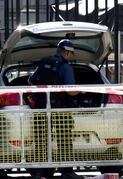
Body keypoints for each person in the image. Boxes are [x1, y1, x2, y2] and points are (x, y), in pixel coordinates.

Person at [27, 39, 82, 179]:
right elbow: (70, 91)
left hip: (41, 107)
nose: (71, 56)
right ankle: (67, 172)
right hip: (60, 108)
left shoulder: (45, 63)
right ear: (67, 52)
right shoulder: (65, 67)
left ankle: (41, 172)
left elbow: (30, 81)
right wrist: (82, 91)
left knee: (41, 139)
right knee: (64, 139)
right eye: (71, 53)